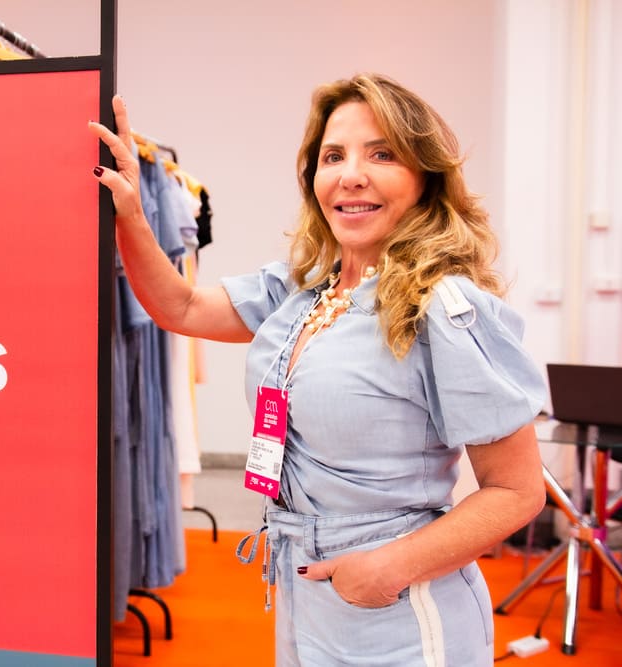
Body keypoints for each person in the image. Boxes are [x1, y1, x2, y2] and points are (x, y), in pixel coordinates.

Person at [89, 73, 548, 666]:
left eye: (382, 154)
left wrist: (386, 568)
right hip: (301, 586)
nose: (351, 174)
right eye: (334, 156)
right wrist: (131, 210)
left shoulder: (444, 307)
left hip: (401, 605)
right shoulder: (302, 288)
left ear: (424, 177)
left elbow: (517, 491)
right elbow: (179, 306)